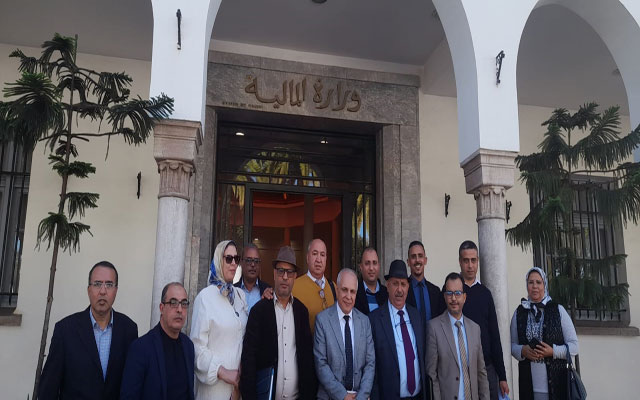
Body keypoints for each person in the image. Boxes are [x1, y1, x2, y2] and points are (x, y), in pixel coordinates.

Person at [38, 261, 138, 400]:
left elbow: (132, 383)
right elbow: (48, 389)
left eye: (109, 285)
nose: (102, 291)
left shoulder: (129, 329)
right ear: (88, 289)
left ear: (116, 290)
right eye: (97, 284)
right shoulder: (65, 330)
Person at [240, 245, 317, 400]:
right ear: (274, 274)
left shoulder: (302, 312)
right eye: (281, 271)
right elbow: (249, 360)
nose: (285, 277)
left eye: (289, 272)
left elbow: (307, 360)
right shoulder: (259, 311)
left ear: (295, 276)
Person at [190, 240, 249, 400]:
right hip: (213, 390)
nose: (233, 263)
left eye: (236, 259)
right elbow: (196, 348)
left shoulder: (240, 296)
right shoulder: (205, 298)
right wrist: (222, 372)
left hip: (236, 390)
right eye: (228, 258)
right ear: (218, 260)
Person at [510, 267, 578, 400]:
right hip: (528, 388)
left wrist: (553, 352)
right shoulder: (519, 312)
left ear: (544, 284)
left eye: (538, 282)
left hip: (557, 388)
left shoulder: (558, 310)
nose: (534, 286)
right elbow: (511, 345)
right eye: (531, 282)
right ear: (527, 285)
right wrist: (522, 350)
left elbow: (574, 347)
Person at [120, 282, 195, 399]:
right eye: (173, 303)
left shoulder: (188, 346)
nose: (180, 309)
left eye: (184, 303)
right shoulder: (141, 348)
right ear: (161, 308)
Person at [458, 240, 510, 400]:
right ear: (460, 262)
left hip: (487, 368)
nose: (470, 265)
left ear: (478, 261)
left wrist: (502, 376)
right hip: (461, 369)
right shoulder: (452, 292)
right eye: (466, 260)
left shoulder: (485, 294)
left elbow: (494, 335)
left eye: (473, 260)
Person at [314, 268, 376, 400]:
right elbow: (321, 364)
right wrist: (343, 396)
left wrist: (361, 396)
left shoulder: (365, 322)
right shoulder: (322, 320)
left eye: (352, 291)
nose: (348, 296)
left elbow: (370, 363)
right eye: (344, 290)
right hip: (330, 397)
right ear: (337, 290)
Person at [369, 260, 426, 400]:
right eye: (395, 284)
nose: (399, 290)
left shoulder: (416, 316)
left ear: (408, 287)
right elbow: (372, 368)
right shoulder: (375, 320)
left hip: (418, 396)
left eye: (403, 284)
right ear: (387, 286)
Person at [427, 272, 489, 400]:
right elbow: (432, 375)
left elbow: (481, 372)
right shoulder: (434, 328)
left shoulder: (475, 329)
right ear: (445, 297)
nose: (454, 298)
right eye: (449, 293)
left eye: (458, 293)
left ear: (464, 297)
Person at [292, 238, 337, 331]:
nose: (318, 260)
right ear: (307, 257)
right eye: (315, 254)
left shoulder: (333, 287)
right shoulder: (294, 286)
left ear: (326, 259)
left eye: (322, 255)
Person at [405, 241, 445, 333]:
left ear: (425, 260)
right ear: (408, 262)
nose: (417, 260)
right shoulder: (403, 291)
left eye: (420, 256)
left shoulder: (435, 291)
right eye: (413, 257)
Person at [234, 243, 271, 311]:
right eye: (248, 260)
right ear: (241, 262)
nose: (253, 264)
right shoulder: (233, 290)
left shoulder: (268, 292)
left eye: (256, 261)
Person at [354, 247, 388, 315]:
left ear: (378, 266)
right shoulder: (354, 293)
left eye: (374, 263)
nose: (371, 268)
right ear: (361, 267)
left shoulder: (387, 293)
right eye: (367, 263)